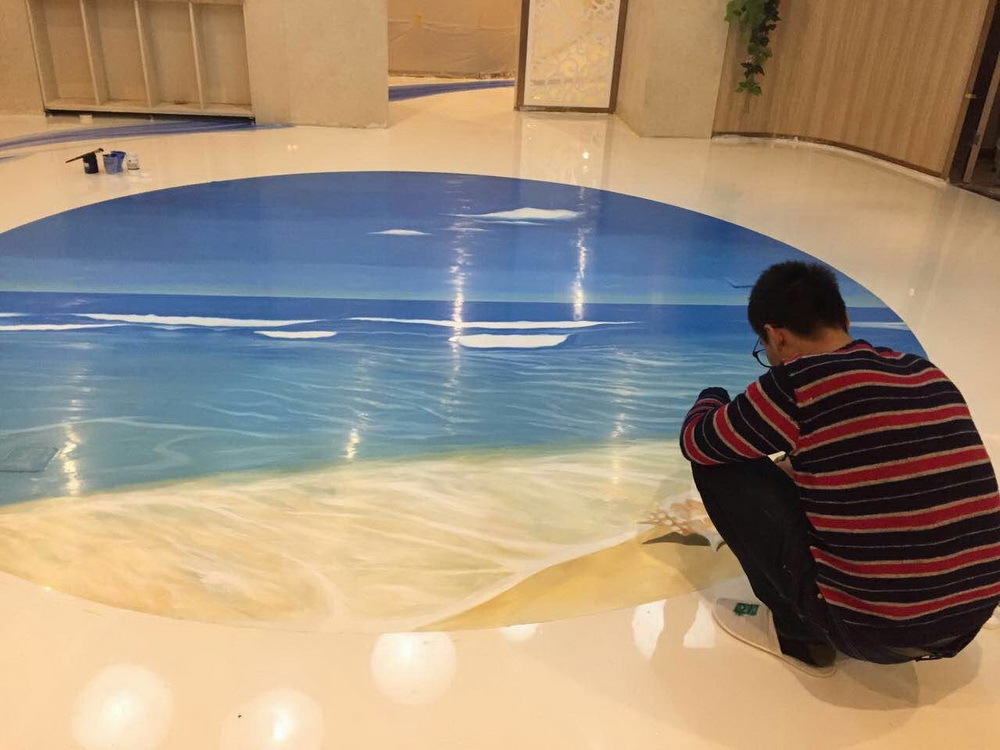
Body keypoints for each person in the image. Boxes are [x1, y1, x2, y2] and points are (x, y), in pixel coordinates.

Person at [680, 261, 1000, 676]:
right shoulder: (924, 372)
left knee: (718, 466)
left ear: (776, 336)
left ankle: (796, 631)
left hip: (869, 633)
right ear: (844, 319)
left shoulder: (796, 383)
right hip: (971, 616)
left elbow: (698, 442)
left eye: (766, 349)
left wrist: (711, 395)